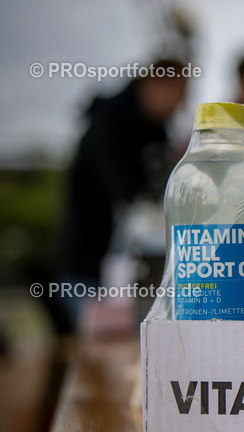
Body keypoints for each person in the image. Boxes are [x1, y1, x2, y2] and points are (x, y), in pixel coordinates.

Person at [57, 58, 189, 328]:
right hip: (90, 270)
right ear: (155, 86)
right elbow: (125, 195)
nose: (181, 105)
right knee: (98, 357)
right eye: (178, 94)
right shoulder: (107, 124)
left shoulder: (156, 131)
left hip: (136, 274)